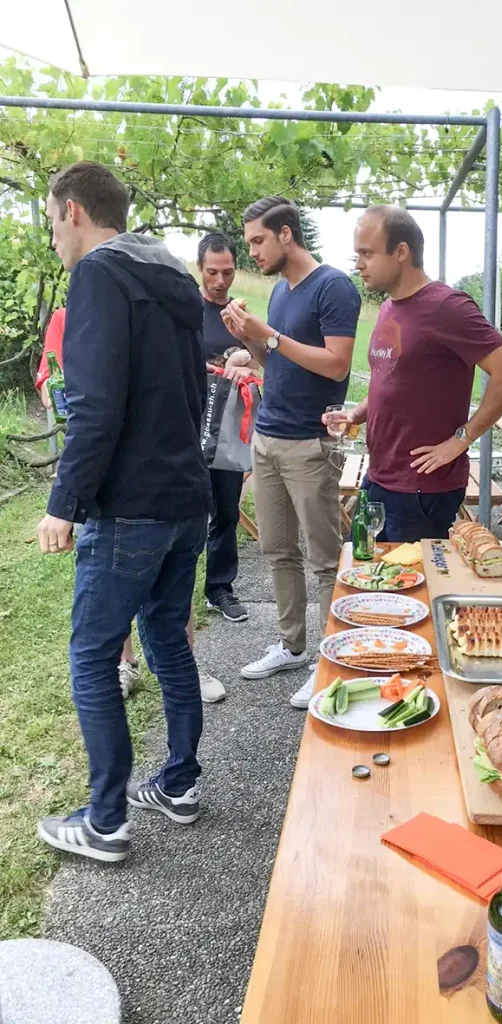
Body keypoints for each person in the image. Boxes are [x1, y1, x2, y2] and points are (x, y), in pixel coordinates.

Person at [36, 160, 211, 863]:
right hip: (184, 501)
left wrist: (63, 503)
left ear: (75, 211)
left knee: (91, 656)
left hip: (131, 509)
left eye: (52, 223)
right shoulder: (171, 276)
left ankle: (105, 821)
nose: (53, 239)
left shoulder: (101, 275)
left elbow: (96, 406)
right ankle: (179, 784)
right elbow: (196, 395)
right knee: (167, 643)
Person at [36, 305, 225, 705]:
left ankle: (183, 662)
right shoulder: (66, 317)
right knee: (111, 583)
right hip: (95, 474)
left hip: (150, 476)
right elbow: (49, 384)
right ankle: (126, 665)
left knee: (171, 579)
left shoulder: (145, 311)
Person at [222, 196, 361, 709]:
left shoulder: (333, 287)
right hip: (268, 436)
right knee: (276, 550)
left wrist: (270, 336)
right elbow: (275, 362)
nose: (252, 251)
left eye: (258, 240)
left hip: (309, 443)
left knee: (324, 560)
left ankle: (333, 660)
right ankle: (292, 644)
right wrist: (251, 340)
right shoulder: (280, 291)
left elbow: (337, 366)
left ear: (286, 235)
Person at [325, 205, 502, 540]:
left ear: (401, 251)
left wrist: (460, 440)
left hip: (421, 491)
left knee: (409, 588)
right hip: (379, 476)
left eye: (367, 253)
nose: (358, 263)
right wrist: (357, 413)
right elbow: (389, 379)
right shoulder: (389, 307)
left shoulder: (448, 307)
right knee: (366, 578)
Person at [197, 232, 250, 629]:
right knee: (185, 513)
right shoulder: (184, 310)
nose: (220, 280)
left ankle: (220, 589)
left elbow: (263, 361)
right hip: (185, 428)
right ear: (200, 269)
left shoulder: (239, 316)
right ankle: (176, 588)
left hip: (227, 432)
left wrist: (245, 352)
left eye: (227, 272)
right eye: (212, 272)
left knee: (227, 512)